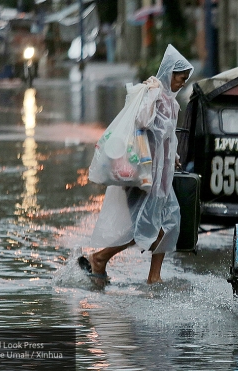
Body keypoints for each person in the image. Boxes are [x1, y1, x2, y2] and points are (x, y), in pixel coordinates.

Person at [78, 45, 193, 285]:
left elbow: (167, 138)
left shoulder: (172, 104)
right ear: (170, 73)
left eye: (185, 81)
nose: (182, 84)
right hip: (143, 175)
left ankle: (154, 277)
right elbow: (142, 122)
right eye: (180, 78)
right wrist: (151, 95)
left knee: (169, 222)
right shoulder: (153, 93)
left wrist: (173, 157)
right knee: (143, 227)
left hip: (162, 176)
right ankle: (99, 258)